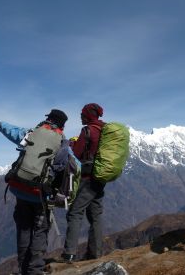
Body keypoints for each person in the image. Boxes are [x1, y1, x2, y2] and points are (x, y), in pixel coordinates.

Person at [0, 109, 69, 275]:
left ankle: (23, 268)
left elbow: (11, 132)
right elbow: (64, 167)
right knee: (40, 231)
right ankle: (34, 270)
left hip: (19, 188)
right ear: (62, 125)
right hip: (39, 194)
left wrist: (0, 124)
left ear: (48, 119)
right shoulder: (62, 143)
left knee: (23, 229)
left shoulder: (31, 133)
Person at [61, 103, 106, 262]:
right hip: (101, 177)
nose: (80, 116)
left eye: (82, 114)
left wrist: (72, 144)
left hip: (87, 179)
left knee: (75, 213)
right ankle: (96, 254)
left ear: (88, 115)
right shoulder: (105, 130)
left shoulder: (88, 130)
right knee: (96, 216)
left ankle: (69, 254)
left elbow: (77, 153)